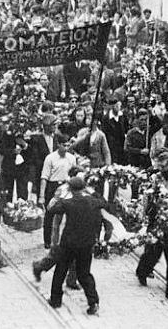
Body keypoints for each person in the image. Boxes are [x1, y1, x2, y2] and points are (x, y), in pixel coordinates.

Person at [46, 176, 107, 315]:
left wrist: (59, 196)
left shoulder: (68, 203)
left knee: (60, 271)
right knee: (84, 274)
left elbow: (51, 209)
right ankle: (93, 302)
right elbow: (104, 202)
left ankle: (55, 300)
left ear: (71, 189)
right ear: (84, 188)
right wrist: (91, 191)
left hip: (69, 243)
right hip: (86, 243)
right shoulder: (93, 201)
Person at [136, 165, 168, 303]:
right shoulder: (156, 192)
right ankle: (142, 271)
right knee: (152, 255)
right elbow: (149, 211)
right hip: (156, 230)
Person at [40, 135, 78, 248]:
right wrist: (41, 195)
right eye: (63, 145)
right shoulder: (50, 158)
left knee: (69, 214)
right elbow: (44, 177)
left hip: (67, 187)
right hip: (53, 186)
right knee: (50, 214)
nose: (66, 148)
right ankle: (48, 241)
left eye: (68, 145)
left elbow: (74, 174)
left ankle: (66, 240)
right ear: (58, 145)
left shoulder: (71, 158)